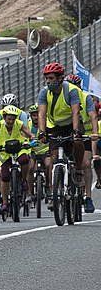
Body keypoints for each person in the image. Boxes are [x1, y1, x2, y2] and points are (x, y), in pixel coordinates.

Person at [37, 62, 85, 210]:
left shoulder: (71, 91)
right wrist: (42, 132)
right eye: (46, 79)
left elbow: (76, 112)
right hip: (55, 127)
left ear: (60, 78)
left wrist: (76, 131)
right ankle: (54, 193)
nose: (48, 81)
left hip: (72, 124)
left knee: (77, 142)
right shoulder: (44, 93)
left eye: (51, 78)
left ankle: (77, 169)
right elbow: (42, 114)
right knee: (53, 157)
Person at [0, 104, 34, 217]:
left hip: (19, 148)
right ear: (4, 118)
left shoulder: (19, 124)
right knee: (4, 176)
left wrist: (32, 140)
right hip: (3, 151)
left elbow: (29, 134)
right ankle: (4, 202)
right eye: (9, 118)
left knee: (24, 159)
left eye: (13, 119)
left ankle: (23, 180)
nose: (11, 121)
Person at [64, 74, 98, 211]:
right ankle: (58, 188)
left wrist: (95, 132)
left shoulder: (86, 97)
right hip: (67, 132)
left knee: (85, 163)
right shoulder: (63, 97)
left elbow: (93, 115)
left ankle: (88, 197)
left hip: (85, 135)